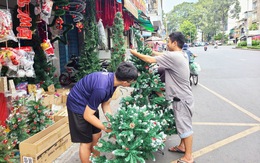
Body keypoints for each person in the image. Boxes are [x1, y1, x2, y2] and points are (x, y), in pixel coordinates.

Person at [130, 32, 195, 163]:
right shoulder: (181, 54)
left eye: (169, 42)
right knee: (181, 124)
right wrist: (152, 52)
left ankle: (188, 157)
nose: (167, 44)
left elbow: (149, 60)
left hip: (181, 99)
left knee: (185, 126)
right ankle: (182, 147)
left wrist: (134, 53)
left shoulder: (174, 56)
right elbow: (161, 55)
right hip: (183, 97)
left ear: (175, 43)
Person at [66, 62, 138, 163]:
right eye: (132, 82)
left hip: (89, 105)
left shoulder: (113, 81)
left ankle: (96, 160)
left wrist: (113, 124)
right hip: (77, 105)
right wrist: (108, 129)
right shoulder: (102, 88)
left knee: (97, 134)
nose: (132, 84)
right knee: (86, 142)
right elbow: (87, 115)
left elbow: (106, 104)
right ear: (125, 82)